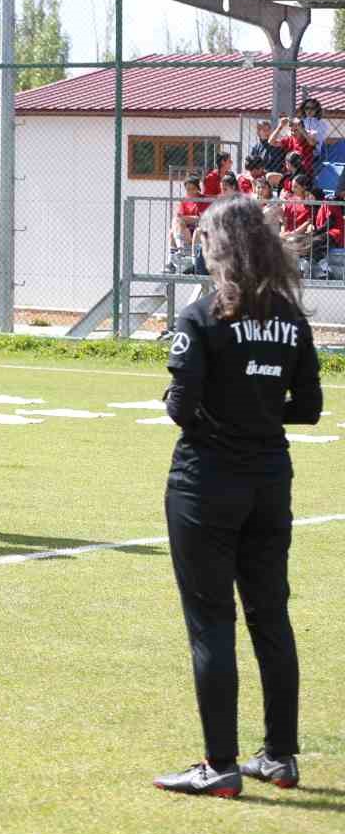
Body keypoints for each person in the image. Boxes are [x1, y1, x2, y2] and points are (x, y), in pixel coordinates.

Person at [152, 196, 322, 797]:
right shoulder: (291, 317)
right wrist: (259, 406)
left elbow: (179, 404)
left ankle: (219, 764)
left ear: (216, 245)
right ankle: (280, 755)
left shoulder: (202, 314)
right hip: (270, 478)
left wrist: (215, 412)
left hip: (206, 481)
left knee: (211, 624)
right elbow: (308, 408)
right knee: (271, 616)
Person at [172, 177, 208, 272]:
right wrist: (188, 219)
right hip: (186, 232)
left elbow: (201, 219)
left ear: (197, 188)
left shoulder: (204, 200)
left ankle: (190, 258)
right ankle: (179, 252)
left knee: (182, 223)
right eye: (188, 189)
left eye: (192, 189)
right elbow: (179, 218)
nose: (190, 192)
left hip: (198, 233)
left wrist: (186, 219)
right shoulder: (184, 201)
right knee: (172, 231)